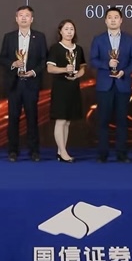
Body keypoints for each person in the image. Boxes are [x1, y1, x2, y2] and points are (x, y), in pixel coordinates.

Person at [0, 5, 48, 162]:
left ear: (32, 19)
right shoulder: (9, 37)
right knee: (13, 118)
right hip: (14, 84)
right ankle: (13, 151)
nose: (24, 18)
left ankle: (34, 151)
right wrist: (13, 64)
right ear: (16, 19)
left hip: (31, 83)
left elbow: (44, 60)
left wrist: (33, 72)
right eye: (21, 15)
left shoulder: (39, 37)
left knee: (32, 118)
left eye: (27, 15)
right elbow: (2, 59)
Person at [89, 7, 132, 163]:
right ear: (105, 20)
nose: (113, 20)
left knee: (122, 121)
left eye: (116, 17)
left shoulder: (129, 39)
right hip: (104, 86)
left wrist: (124, 71)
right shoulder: (98, 39)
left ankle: (122, 154)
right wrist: (107, 64)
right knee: (103, 121)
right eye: (110, 17)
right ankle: (102, 154)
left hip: (123, 84)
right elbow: (93, 60)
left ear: (121, 20)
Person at [47, 19, 86, 163]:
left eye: (71, 29)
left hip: (73, 87)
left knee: (67, 121)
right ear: (60, 31)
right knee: (61, 120)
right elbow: (50, 68)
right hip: (60, 88)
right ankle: (63, 152)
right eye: (66, 29)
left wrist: (77, 74)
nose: (69, 32)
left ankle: (61, 150)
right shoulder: (55, 48)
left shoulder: (78, 49)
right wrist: (64, 69)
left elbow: (82, 68)